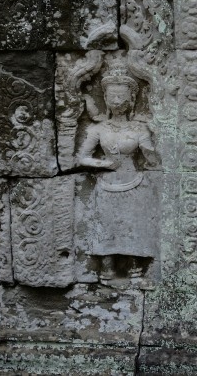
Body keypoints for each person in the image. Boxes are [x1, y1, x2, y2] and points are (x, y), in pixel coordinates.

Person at [77, 58, 158, 282]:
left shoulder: (139, 128)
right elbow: (82, 157)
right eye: (111, 95)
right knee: (106, 227)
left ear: (132, 98)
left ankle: (135, 268)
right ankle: (107, 268)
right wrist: (103, 164)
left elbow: (152, 159)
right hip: (106, 184)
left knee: (133, 226)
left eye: (121, 95)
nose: (116, 99)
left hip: (134, 183)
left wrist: (151, 137)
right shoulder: (98, 129)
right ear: (104, 97)